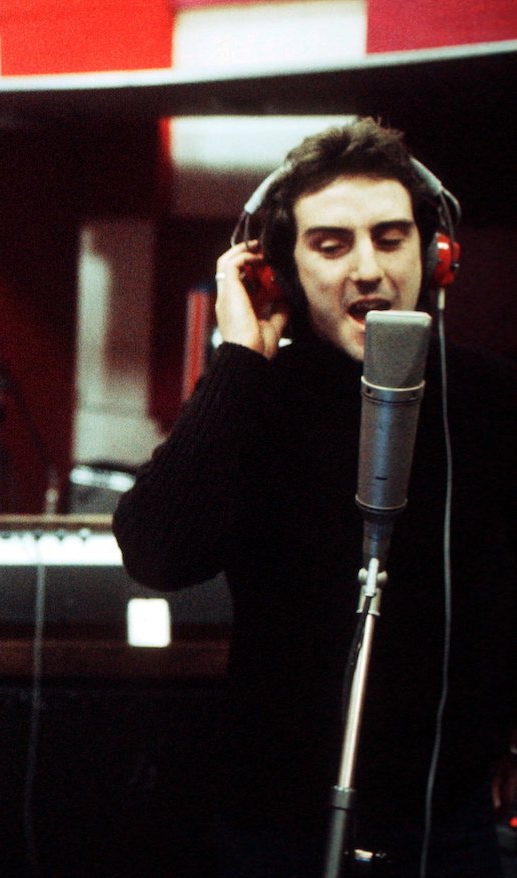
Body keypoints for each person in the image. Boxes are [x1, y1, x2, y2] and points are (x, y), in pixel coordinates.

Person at [113, 118, 517, 877]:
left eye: (390, 238)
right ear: (280, 270)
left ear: (435, 257)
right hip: (277, 823)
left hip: (445, 817)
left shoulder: (490, 398)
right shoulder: (255, 396)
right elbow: (157, 553)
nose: (368, 268)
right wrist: (238, 361)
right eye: (332, 245)